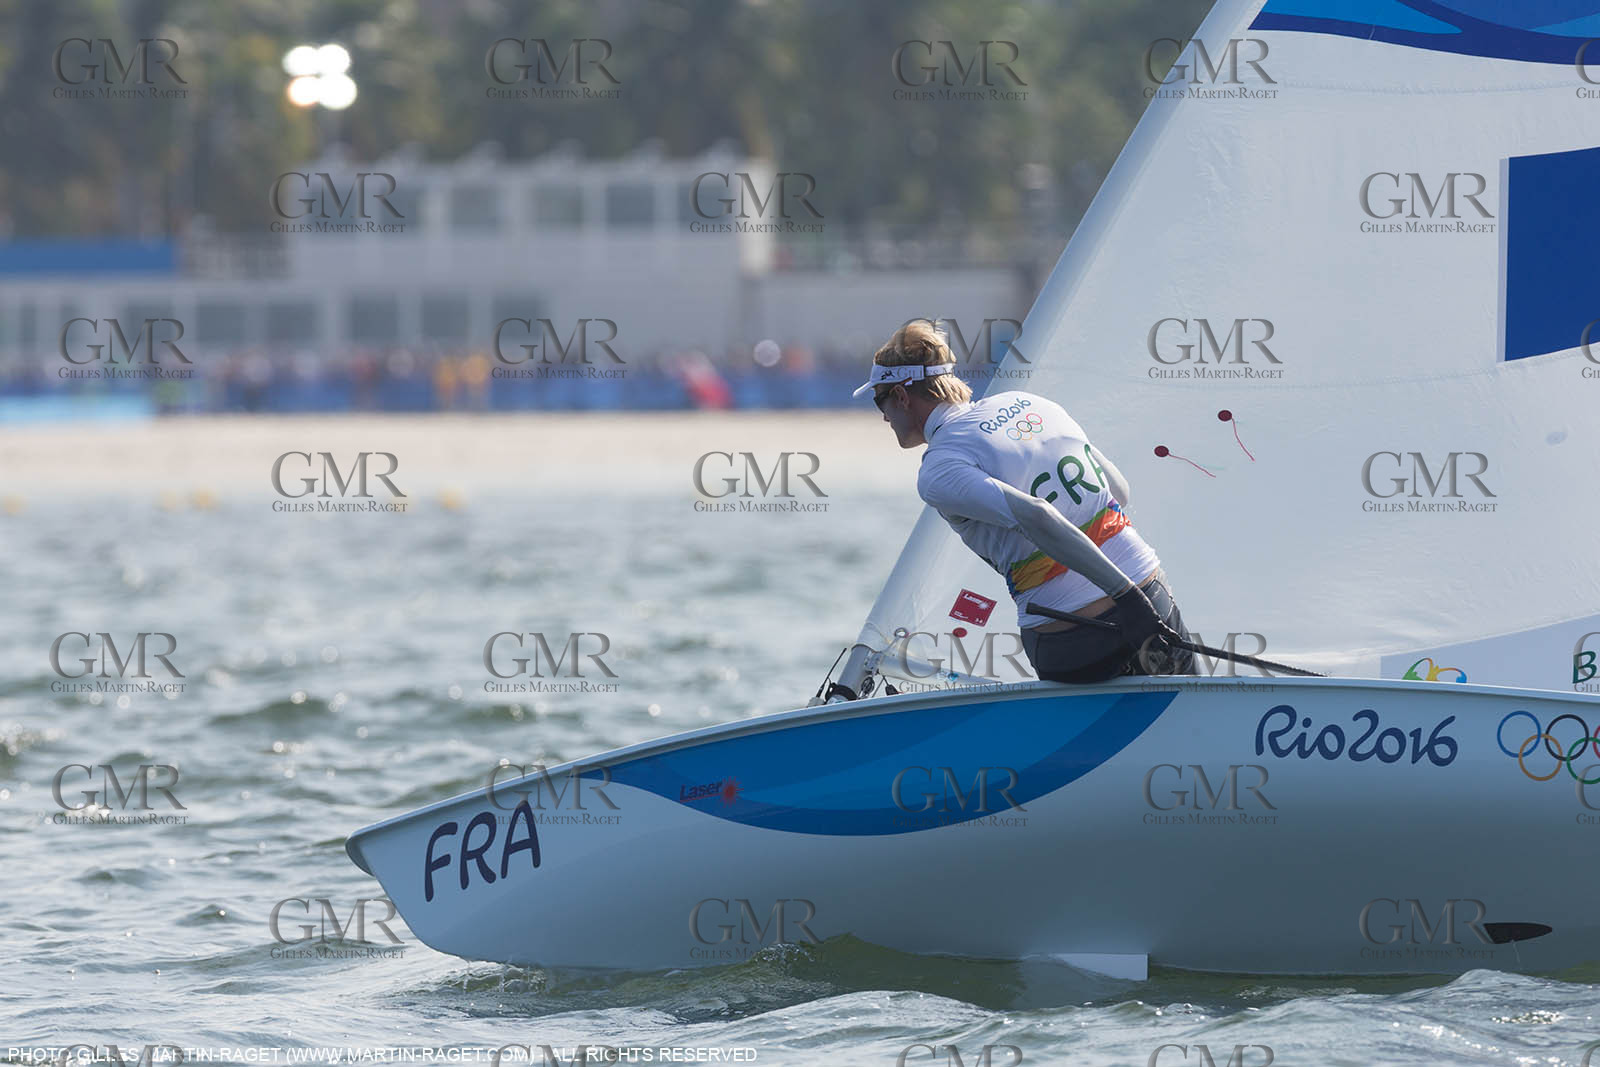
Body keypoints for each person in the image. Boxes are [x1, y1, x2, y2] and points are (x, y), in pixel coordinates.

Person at [855, 320, 1194, 683]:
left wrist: (1125, 600)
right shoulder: (1028, 402)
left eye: (881, 400)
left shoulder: (938, 468)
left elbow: (1037, 514)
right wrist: (1135, 600)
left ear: (903, 397)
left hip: (1076, 638)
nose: (884, 415)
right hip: (1151, 591)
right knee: (1194, 718)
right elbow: (1119, 491)